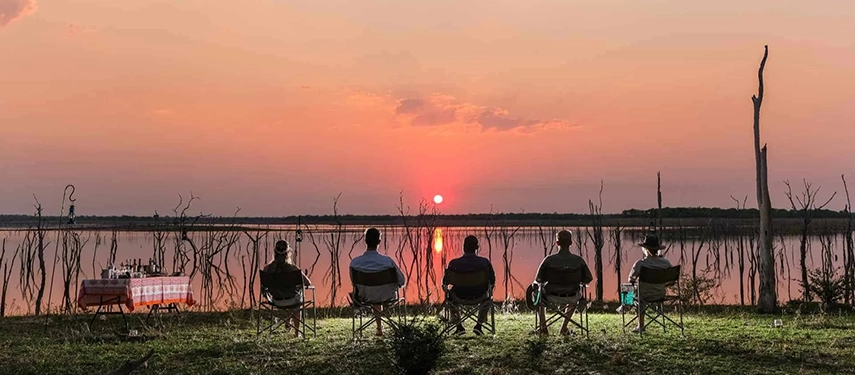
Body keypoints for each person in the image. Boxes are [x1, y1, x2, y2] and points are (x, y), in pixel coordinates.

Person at [532, 230, 593, 335]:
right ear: (571, 243)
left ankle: (543, 327)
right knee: (576, 295)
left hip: (551, 296)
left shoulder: (548, 260)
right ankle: (564, 327)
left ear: (557, 243)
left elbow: (538, 280)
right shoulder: (579, 261)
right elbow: (588, 278)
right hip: (572, 296)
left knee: (536, 293)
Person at [349, 227, 406, 336]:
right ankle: (384, 327)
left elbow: (354, 284)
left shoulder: (355, 263)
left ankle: (379, 328)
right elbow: (402, 282)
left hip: (365, 297)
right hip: (387, 296)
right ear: (379, 242)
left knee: (374, 294)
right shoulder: (388, 262)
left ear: (365, 241)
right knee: (380, 293)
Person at [443, 235, 495, 335]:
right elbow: (492, 281)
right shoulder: (484, 263)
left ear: (464, 247)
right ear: (477, 248)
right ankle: (479, 326)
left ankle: (459, 326)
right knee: (488, 297)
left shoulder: (454, 264)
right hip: (480, 295)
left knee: (449, 297)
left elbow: (445, 282)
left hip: (459, 296)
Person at [262, 240, 312, 337]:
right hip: (292, 301)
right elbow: (308, 283)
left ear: (274, 252)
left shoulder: (267, 269)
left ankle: (288, 320)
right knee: (297, 299)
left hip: (275, 300)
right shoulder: (293, 269)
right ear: (288, 253)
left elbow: (264, 287)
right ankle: (297, 333)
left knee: (290, 296)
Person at [627, 234, 672, 333]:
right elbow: (672, 281)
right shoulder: (666, 263)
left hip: (643, 295)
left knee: (629, 290)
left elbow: (631, 279)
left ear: (645, 249)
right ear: (658, 249)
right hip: (660, 294)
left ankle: (640, 325)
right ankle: (626, 305)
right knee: (637, 293)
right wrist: (662, 285)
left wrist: (635, 280)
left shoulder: (640, 263)